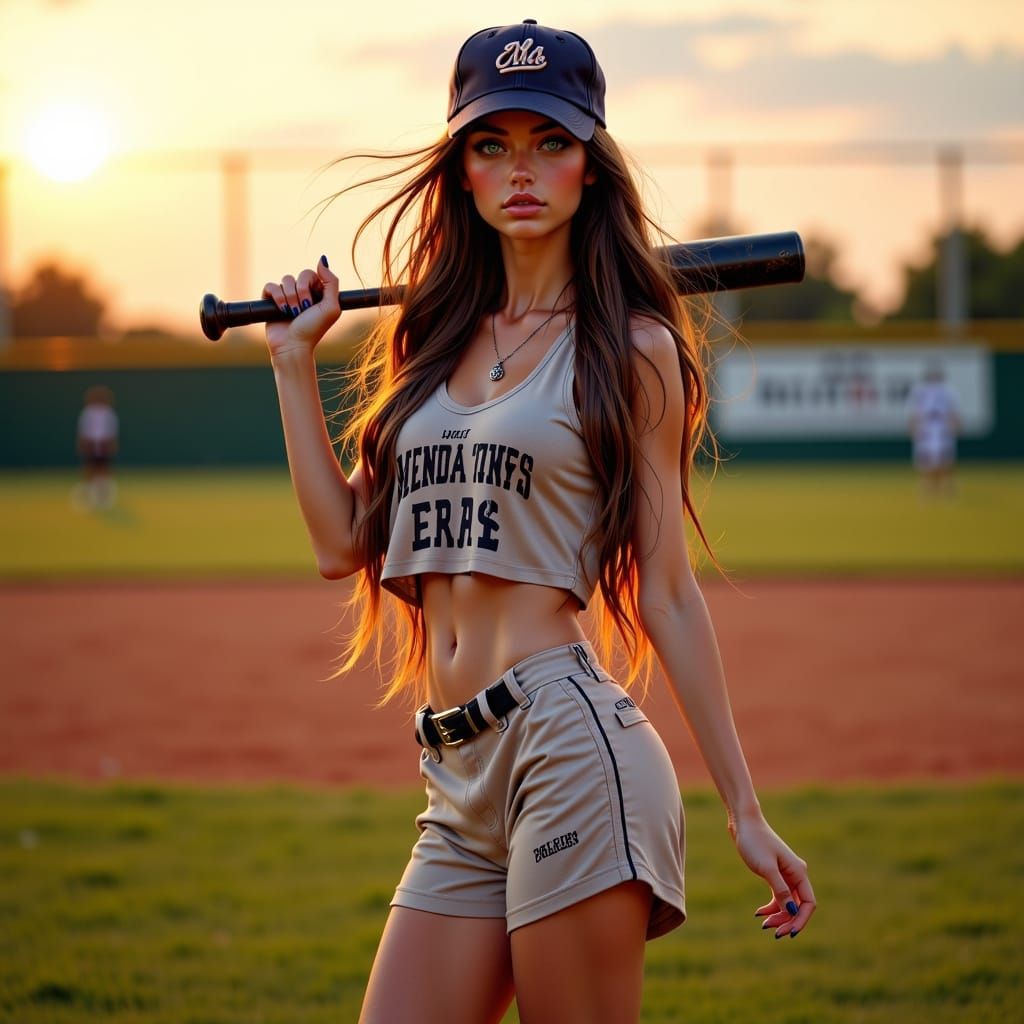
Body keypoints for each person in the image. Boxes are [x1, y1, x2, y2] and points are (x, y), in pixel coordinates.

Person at [262, 20, 816, 1023]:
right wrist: (292, 364)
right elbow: (339, 544)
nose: (522, 169)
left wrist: (742, 807)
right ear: (461, 173)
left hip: (568, 749)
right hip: (454, 769)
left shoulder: (634, 349)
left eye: (550, 143)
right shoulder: (429, 337)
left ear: (590, 170)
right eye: (492, 145)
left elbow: (670, 594)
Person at [909, 362, 960, 498]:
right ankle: (927, 490)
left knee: (945, 461)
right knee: (925, 461)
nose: (933, 378)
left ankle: (948, 490)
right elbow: (916, 412)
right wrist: (914, 427)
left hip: (942, 426)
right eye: (931, 375)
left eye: (935, 375)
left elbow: (953, 411)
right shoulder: (920, 391)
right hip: (926, 426)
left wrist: (955, 425)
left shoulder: (948, 390)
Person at [74, 384, 119, 510]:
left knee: (104, 470)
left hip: (104, 444)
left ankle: (104, 496)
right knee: (89, 469)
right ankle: (88, 494)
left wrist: (111, 444)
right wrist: (83, 444)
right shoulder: (88, 412)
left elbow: (112, 430)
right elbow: (84, 430)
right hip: (91, 444)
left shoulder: (108, 412)